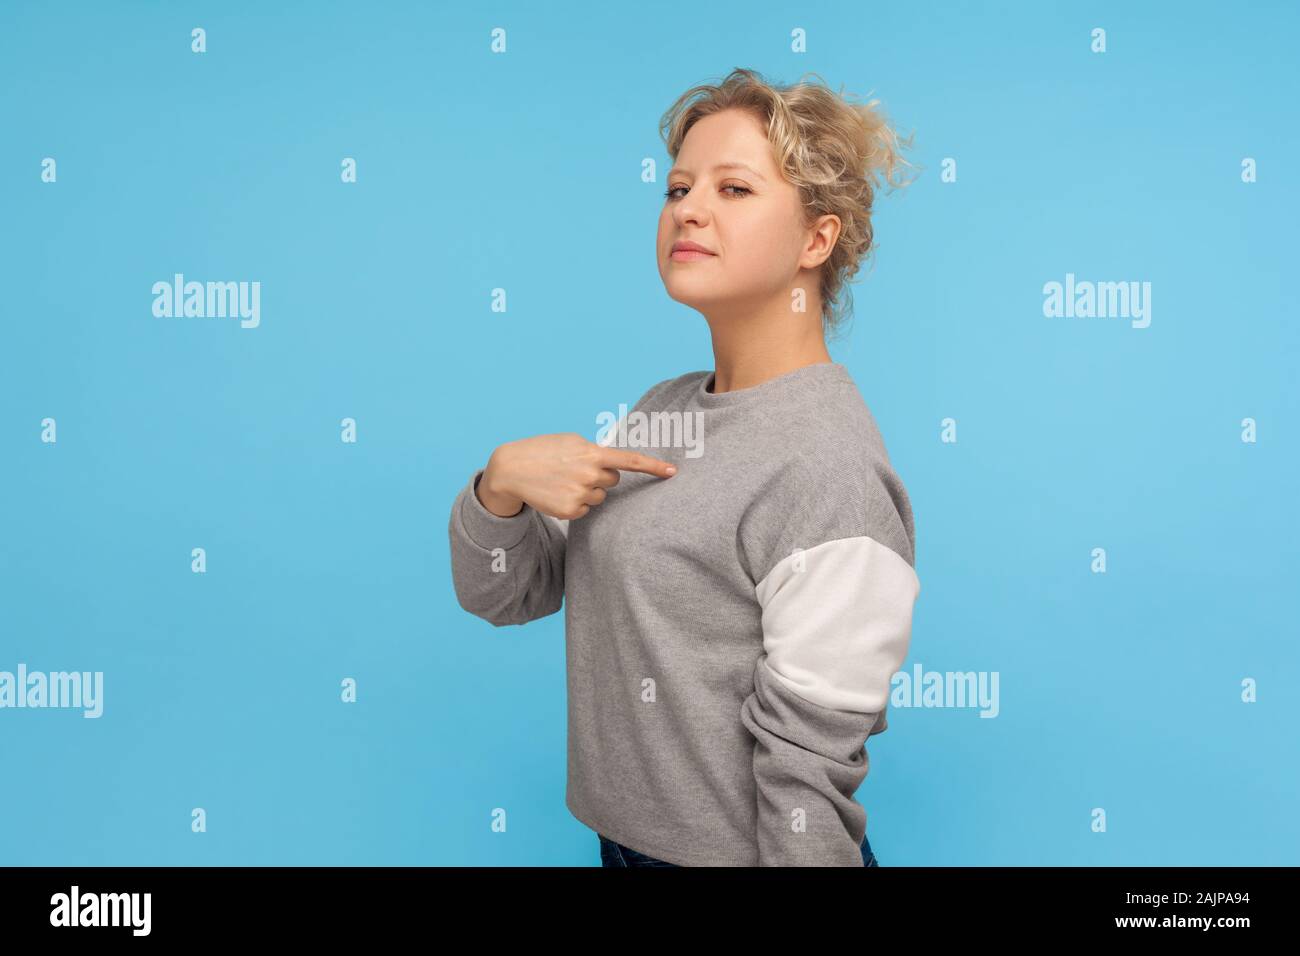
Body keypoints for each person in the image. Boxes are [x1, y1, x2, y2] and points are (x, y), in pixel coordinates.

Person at [448, 67, 920, 866]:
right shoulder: (663, 410)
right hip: (624, 848)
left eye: (734, 189)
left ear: (817, 239)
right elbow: (506, 593)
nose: (688, 209)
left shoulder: (827, 464)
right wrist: (499, 492)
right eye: (677, 188)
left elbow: (808, 773)